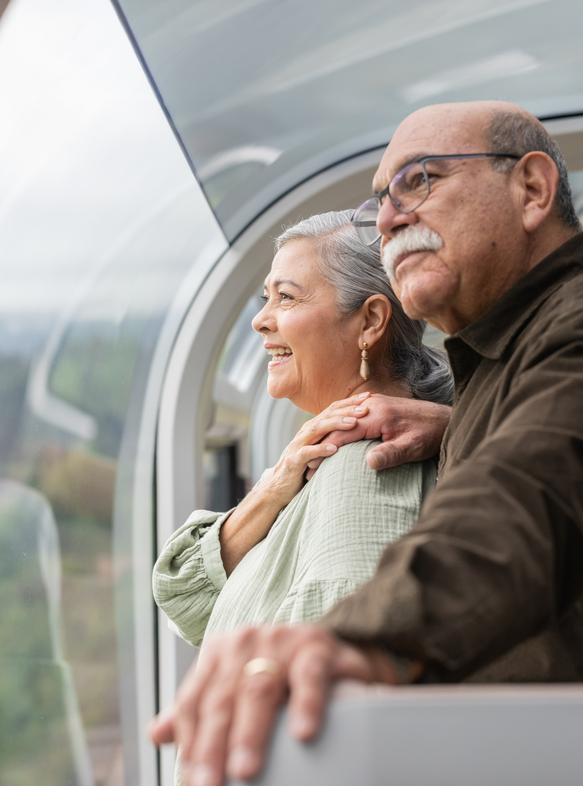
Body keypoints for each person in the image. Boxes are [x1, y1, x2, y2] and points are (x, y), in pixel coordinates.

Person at [151, 101, 583, 786]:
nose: (389, 218)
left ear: (531, 189)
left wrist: (349, 641)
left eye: (420, 181)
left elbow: (525, 509)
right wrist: (454, 428)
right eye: (382, 200)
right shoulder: (506, 363)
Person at [153, 210, 453, 647]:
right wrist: (274, 487)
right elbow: (186, 598)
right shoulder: (312, 466)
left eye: (287, 298)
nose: (261, 319)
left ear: (370, 321)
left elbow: (337, 670)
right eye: (266, 298)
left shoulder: (365, 463)